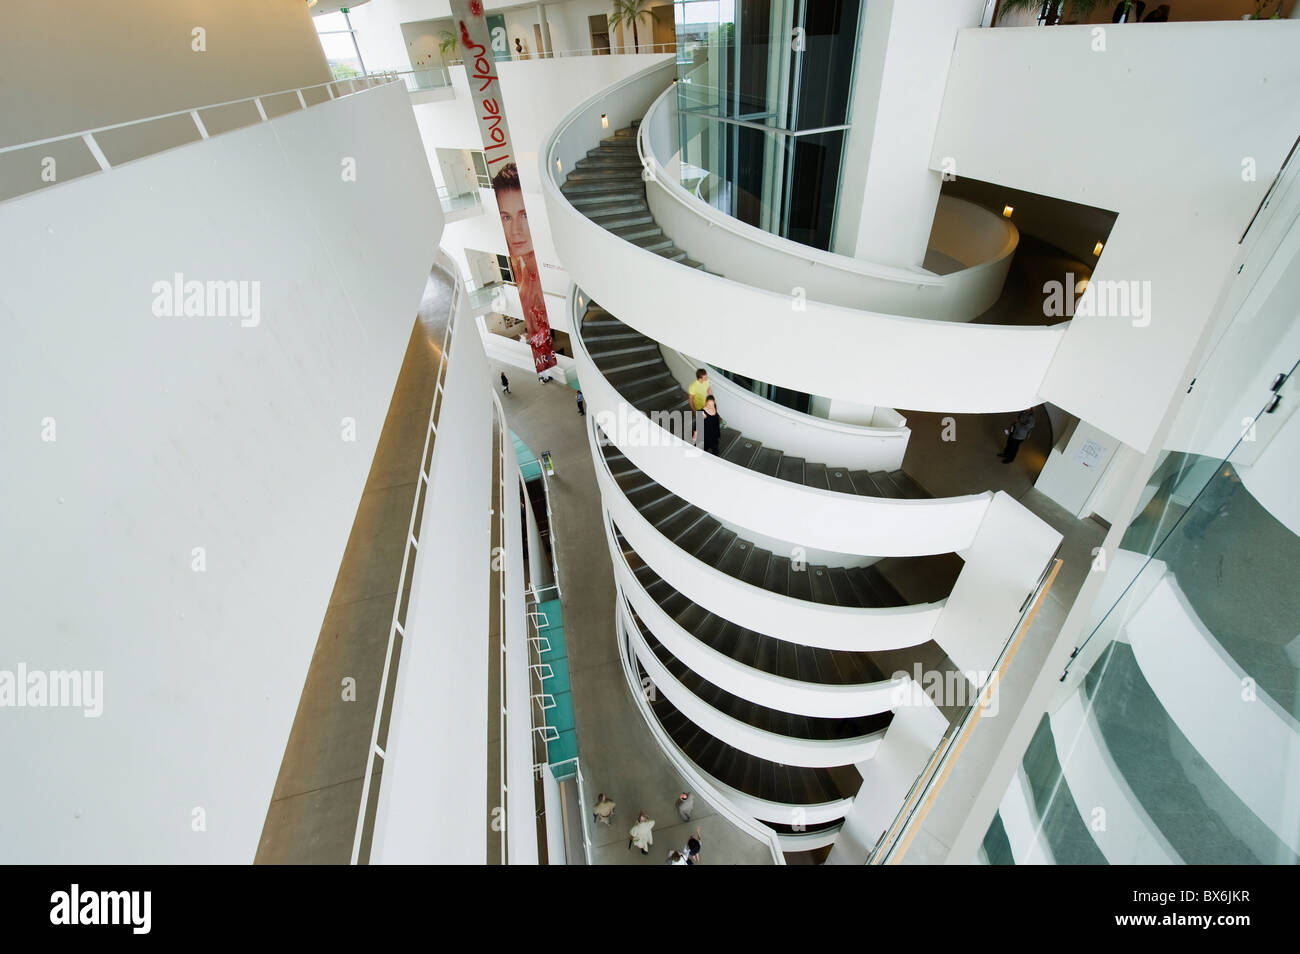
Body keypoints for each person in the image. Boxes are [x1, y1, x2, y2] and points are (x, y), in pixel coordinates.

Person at [493, 162, 556, 377]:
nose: (516, 230)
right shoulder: (523, 279)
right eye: (506, 217)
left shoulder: (543, 274)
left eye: (524, 215)